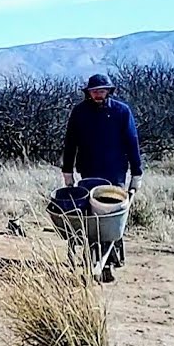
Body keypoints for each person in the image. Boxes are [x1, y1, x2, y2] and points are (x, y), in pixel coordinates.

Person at [60, 73, 143, 280]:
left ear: (109, 91)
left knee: (111, 214)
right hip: (89, 171)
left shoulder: (121, 112)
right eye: (95, 91)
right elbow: (70, 143)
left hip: (115, 172)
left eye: (102, 90)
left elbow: (132, 142)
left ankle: (110, 258)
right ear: (88, 92)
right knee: (92, 216)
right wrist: (67, 171)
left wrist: (137, 172)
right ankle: (95, 257)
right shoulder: (79, 113)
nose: (98, 94)